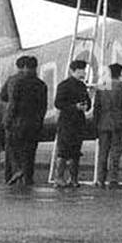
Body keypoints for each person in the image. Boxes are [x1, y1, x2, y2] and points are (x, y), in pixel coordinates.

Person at [0, 55, 47, 186]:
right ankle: (28, 178)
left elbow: (6, 98)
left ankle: (14, 173)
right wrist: (39, 122)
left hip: (16, 122)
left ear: (21, 67)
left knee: (11, 150)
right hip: (34, 123)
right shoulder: (41, 84)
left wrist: (8, 120)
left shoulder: (14, 80)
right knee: (30, 152)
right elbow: (43, 106)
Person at [92, 63, 122, 188]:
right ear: (120, 73)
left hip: (103, 123)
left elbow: (96, 108)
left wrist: (95, 124)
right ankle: (113, 179)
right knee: (115, 153)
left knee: (103, 152)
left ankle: (100, 179)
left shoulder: (103, 86)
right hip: (118, 124)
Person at [54, 59, 90, 188]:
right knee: (63, 151)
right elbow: (58, 103)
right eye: (80, 70)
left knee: (75, 152)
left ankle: (73, 179)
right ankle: (59, 178)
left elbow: (88, 101)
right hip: (66, 122)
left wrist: (86, 106)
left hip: (78, 122)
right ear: (72, 71)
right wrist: (75, 107)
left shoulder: (82, 86)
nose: (83, 73)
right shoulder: (63, 85)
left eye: (83, 70)